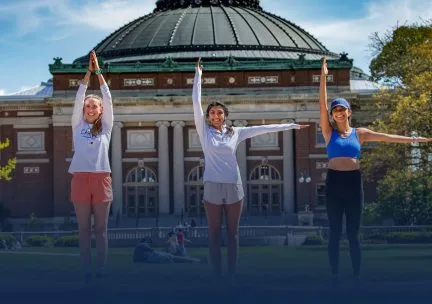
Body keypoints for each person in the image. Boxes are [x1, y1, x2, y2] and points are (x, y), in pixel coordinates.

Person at [193, 57, 309, 284]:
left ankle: (232, 273)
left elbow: (263, 128)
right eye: (212, 113)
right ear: (207, 117)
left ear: (225, 115)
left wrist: (292, 125)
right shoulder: (204, 131)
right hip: (212, 186)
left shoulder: (235, 133)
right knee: (214, 233)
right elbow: (195, 103)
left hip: (234, 186)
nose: (216, 116)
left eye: (220, 112)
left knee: (233, 234)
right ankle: (217, 274)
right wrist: (198, 75)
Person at [319, 57, 432, 283]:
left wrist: (415, 139)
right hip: (334, 183)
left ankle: (357, 275)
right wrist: (323, 77)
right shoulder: (328, 132)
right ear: (332, 115)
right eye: (335, 110)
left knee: (352, 234)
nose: (339, 113)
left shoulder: (360, 133)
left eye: (343, 110)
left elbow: (388, 137)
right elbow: (321, 103)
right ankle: (334, 274)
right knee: (334, 233)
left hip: (353, 183)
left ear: (349, 112)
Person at [68, 50, 113, 284]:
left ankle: (101, 268)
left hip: (102, 178)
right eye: (88, 106)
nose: (91, 109)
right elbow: (78, 98)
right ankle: (86, 268)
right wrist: (88, 72)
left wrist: (99, 73)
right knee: (84, 229)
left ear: (101, 110)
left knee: (101, 231)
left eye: (95, 106)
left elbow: (108, 96)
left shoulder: (106, 127)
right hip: (80, 179)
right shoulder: (77, 125)